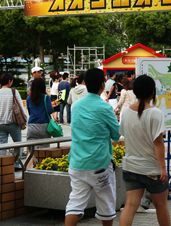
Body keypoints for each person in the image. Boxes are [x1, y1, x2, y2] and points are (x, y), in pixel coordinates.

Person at [65, 68, 121, 226]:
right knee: (106, 204)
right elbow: (116, 134)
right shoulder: (104, 107)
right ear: (103, 85)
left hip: (77, 163)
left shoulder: (76, 106)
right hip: (99, 164)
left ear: (85, 83)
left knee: (75, 204)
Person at [119, 75, 170, 226]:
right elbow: (158, 143)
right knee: (161, 206)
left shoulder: (126, 112)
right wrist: (163, 168)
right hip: (151, 169)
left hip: (131, 167)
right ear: (153, 92)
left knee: (130, 206)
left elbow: (123, 134)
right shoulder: (155, 113)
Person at [0, 73, 27, 161]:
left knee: (3, 145)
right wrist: (24, 120)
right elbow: (20, 106)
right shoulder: (14, 91)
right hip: (13, 122)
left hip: (0, 123)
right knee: (17, 143)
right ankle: (16, 164)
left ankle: (3, 165)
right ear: (9, 81)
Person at [26, 78, 56, 149]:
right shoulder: (46, 97)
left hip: (32, 126)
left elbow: (30, 112)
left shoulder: (29, 99)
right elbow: (49, 110)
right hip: (44, 126)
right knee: (44, 151)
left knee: (31, 152)